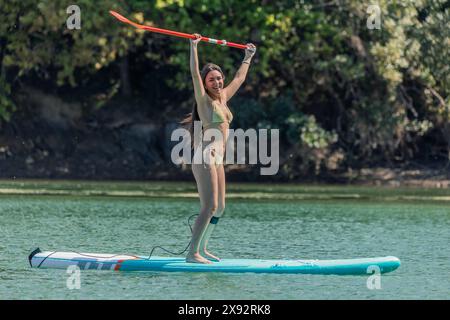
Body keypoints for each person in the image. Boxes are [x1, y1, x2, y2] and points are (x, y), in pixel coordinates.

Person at [182, 33, 256, 264]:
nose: (217, 82)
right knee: (209, 206)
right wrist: (194, 46)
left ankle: (202, 249)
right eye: (211, 79)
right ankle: (192, 253)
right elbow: (194, 73)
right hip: (204, 157)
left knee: (220, 207)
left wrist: (248, 56)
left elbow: (240, 79)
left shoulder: (223, 98)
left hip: (217, 159)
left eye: (218, 78)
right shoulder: (204, 101)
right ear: (205, 84)